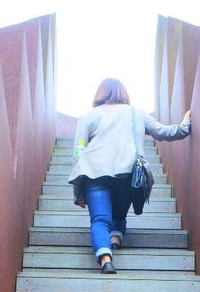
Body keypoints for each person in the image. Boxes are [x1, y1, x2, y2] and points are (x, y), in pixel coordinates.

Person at [68, 78, 191, 274]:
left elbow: (78, 153)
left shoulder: (88, 116)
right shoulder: (137, 113)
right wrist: (186, 123)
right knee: (118, 214)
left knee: (100, 220)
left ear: (100, 93)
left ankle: (106, 259)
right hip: (126, 174)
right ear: (123, 93)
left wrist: (78, 190)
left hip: (93, 174)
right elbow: (164, 132)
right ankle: (115, 239)